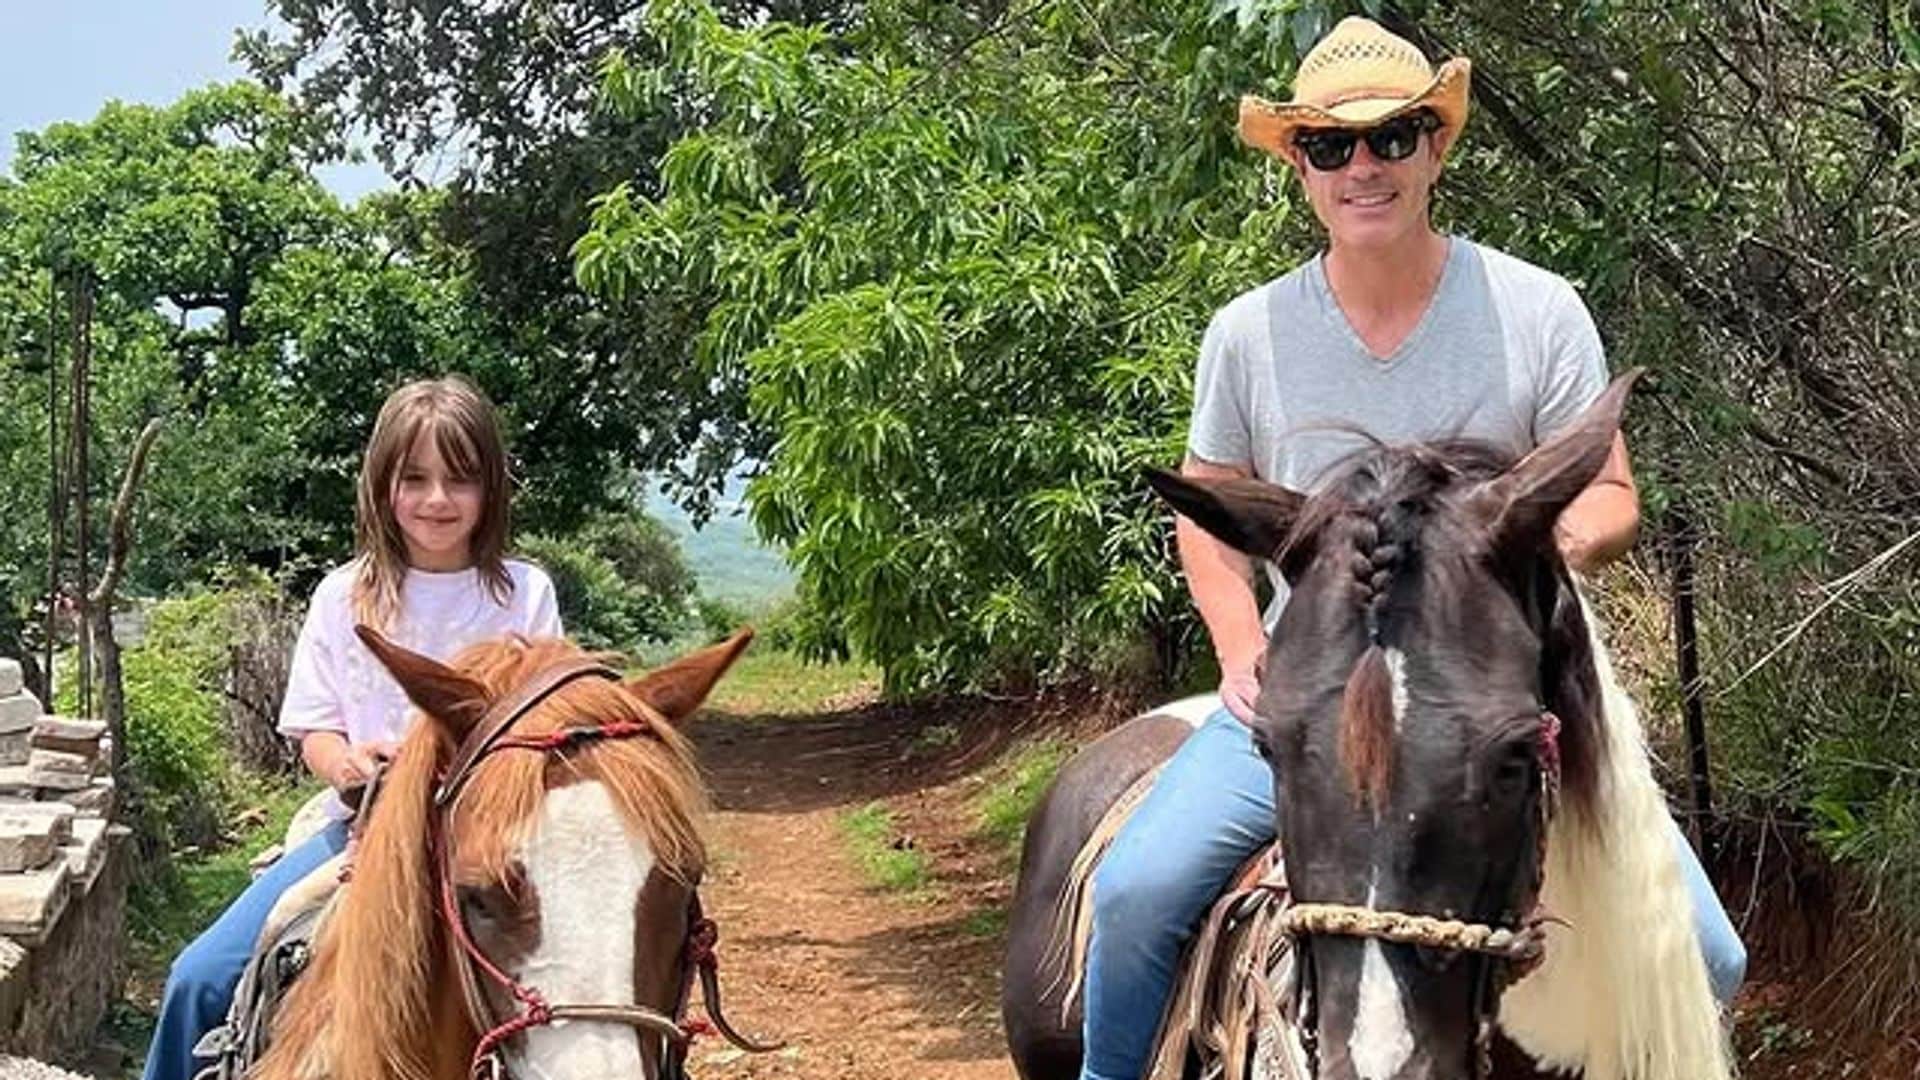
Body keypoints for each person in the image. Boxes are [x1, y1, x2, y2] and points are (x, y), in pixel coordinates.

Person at [1076, 18, 1746, 1080]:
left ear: (1437, 144)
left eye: (1392, 136)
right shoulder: (1248, 334)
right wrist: (1243, 645)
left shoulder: (1535, 310)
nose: (1364, 167)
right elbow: (1204, 515)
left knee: (1710, 957)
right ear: (1299, 166)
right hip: (1318, 704)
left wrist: (1517, 551)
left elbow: (1614, 493)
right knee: (1137, 893)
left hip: (1493, 708)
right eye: (1332, 147)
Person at [143, 376, 562, 1080]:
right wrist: (350, 766)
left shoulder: (524, 593)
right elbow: (315, 729)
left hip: (492, 850)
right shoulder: (346, 593)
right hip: (365, 834)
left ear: (491, 487)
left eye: (460, 479)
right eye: (416, 478)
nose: (437, 500)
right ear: (382, 485)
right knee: (199, 979)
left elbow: (549, 730)